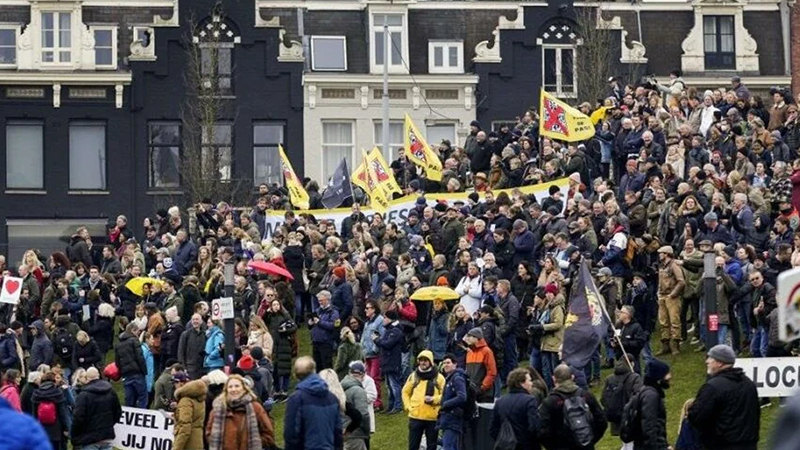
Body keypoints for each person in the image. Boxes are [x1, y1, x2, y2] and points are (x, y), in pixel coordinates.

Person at [688, 345, 759, 450]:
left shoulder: (713, 387)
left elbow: (697, 417)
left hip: (721, 444)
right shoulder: (749, 384)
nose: (706, 361)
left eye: (710, 358)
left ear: (720, 363)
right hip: (748, 444)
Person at [539, 364, 607, 450]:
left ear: (553, 379)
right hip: (585, 444)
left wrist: (553, 447)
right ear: (572, 377)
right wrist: (591, 440)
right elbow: (602, 421)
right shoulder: (586, 395)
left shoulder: (549, 402)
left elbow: (542, 431)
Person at [283, 356, 344, 450]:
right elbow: (338, 431)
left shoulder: (296, 399)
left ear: (295, 374)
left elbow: (291, 433)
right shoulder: (332, 398)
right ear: (314, 371)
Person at [205, 374, 275, 450]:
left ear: (244, 389)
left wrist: (256, 442)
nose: (233, 389)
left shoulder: (255, 407)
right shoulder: (217, 409)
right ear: (226, 390)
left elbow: (268, 432)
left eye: (237, 386)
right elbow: (209, 432)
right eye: (230, 387)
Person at [402, 350, 445, 450]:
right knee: (413, 446)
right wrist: (408, 407)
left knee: (432, 446)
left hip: (432, 417)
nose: (423, 362)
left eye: (426, 360)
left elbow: (445, 395)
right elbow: (405, 392)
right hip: (415, 416)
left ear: (431, 362)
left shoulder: (439, 378)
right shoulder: (413, 376)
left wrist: (434, 399)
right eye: (421, 360)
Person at [71, 367, 122, 450]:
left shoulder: (84, 395)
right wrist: (108, 425)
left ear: (87, 378)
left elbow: (78, 417)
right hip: (107, 436)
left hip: (89, 438)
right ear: (98, 375)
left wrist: (74, 435)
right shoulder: (111, 391)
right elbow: (118, 412)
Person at [490, 367, 541, 450]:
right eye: (529, 380)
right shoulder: (529, 400)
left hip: (505, 446)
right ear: (521, 383)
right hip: (526, 445)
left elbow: (493, 429)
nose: (531, 383)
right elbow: (534, 426)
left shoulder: (500, 402)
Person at [631, 359, 671, 450]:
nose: (670, 376)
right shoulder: (651, 396)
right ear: (658, 377)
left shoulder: (648, 393)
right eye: (667, 373)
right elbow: (649, 426)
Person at [374, 309, 404, 414]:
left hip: (393, 362)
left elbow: (387, 344)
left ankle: (398, 406)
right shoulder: (389, 330)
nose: (384, 319)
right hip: (387, 362)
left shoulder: (395, 331)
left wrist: (376, 340)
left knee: (394, 385)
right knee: (389, 385)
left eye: (385, 317)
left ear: (390, 319)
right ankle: (391, 406)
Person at [656, 245, 685, 355]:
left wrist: (673, 294)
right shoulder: (662, 266)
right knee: (663, 321)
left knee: (674, 321)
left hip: (672, 296)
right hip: (662, 296)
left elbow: (681, 281)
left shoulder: (674, 265)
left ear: (666, 254)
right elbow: (660, 282)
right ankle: (665, 345)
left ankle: (675, 346)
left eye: (661, 253)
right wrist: (658, 293)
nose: (659, 255)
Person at [32, 371, 70, 450]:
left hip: (41, 428)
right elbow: (63, 413)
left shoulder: (36, 393)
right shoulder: (57, 393)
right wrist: (67, 428)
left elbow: (34, 413)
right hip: (56, 429)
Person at [437, 353, 468, 450]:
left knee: (449, 447)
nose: (446, 365)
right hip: (448, 418)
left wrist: (445, 404)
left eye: (448, 363)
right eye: (444, 363)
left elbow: (462, 397)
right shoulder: (450, 379)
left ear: (455, 364)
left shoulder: (457, 378)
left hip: (453, 418)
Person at [115, 322, 148, 408]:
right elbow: (140, 357)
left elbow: (117, 362)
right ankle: (142, 415)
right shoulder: (134, 340)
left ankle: (128, 418)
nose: (138, 334)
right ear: (133, 330)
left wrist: (122, 372)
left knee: (129, 398)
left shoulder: (118, 344)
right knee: (142, 396)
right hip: (137, 373)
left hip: (126, 375)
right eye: (137, 331)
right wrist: (144, 372)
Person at [173, 372, 207, 450]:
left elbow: (185, 427)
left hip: (188, 444)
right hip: (197, 441)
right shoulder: (199, 398)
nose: (174, 386)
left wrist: (177, 447)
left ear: (181, 383)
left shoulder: (185, 400)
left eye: (175, 383)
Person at [341, 361, 371, 450]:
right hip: (356, 434)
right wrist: (366, 431)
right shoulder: (358, 391)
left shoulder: (340, 386)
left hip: (342, 431)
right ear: (363, 375)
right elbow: (363, 415)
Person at [463, 327, 497, 403]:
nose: (467, 338)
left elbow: (492, 372)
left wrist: (483, 387)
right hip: (472, 393)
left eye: (469, 336)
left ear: (476, 338)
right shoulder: (469, 352)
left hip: (485, 393)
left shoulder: (486, 351)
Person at [310, 290, 340, 371]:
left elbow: (333, 325)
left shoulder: (334, 312)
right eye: (319, 300)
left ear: (328, 300)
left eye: (321, 300)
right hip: (316, 342)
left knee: (327, 366)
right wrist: (310, 323)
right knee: (317, 367)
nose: (320, 302)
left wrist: (320, 322)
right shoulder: (317, 311)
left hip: (326, 342)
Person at [178, 313, 207, 380]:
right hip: (190, 367)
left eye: (197, 319)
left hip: (202, 367)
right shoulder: (185, 334)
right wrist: (184, 367)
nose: (195, 321)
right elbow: (181, 351)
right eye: (193, 319)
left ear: (201, 321)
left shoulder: (205, 334)